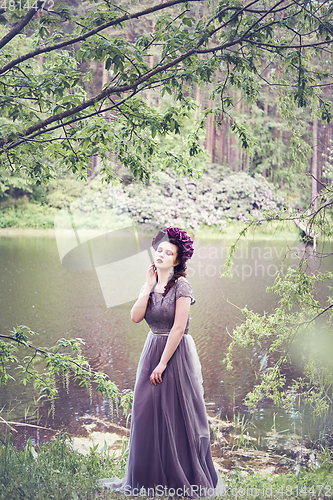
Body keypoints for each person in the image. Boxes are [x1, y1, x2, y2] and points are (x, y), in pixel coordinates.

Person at [100, 227, 224, 498]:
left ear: (177, 260)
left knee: (178, 413)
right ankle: (148, 476)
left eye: (169, 253)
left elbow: (179, 328)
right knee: (147, 410)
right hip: (151, 347)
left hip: (175, 353)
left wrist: (163, 364)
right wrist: (146, 286)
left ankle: (183, 475)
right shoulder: (151, 284)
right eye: (160, 250)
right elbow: (135, 317)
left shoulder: (182, 286)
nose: (162, 255)